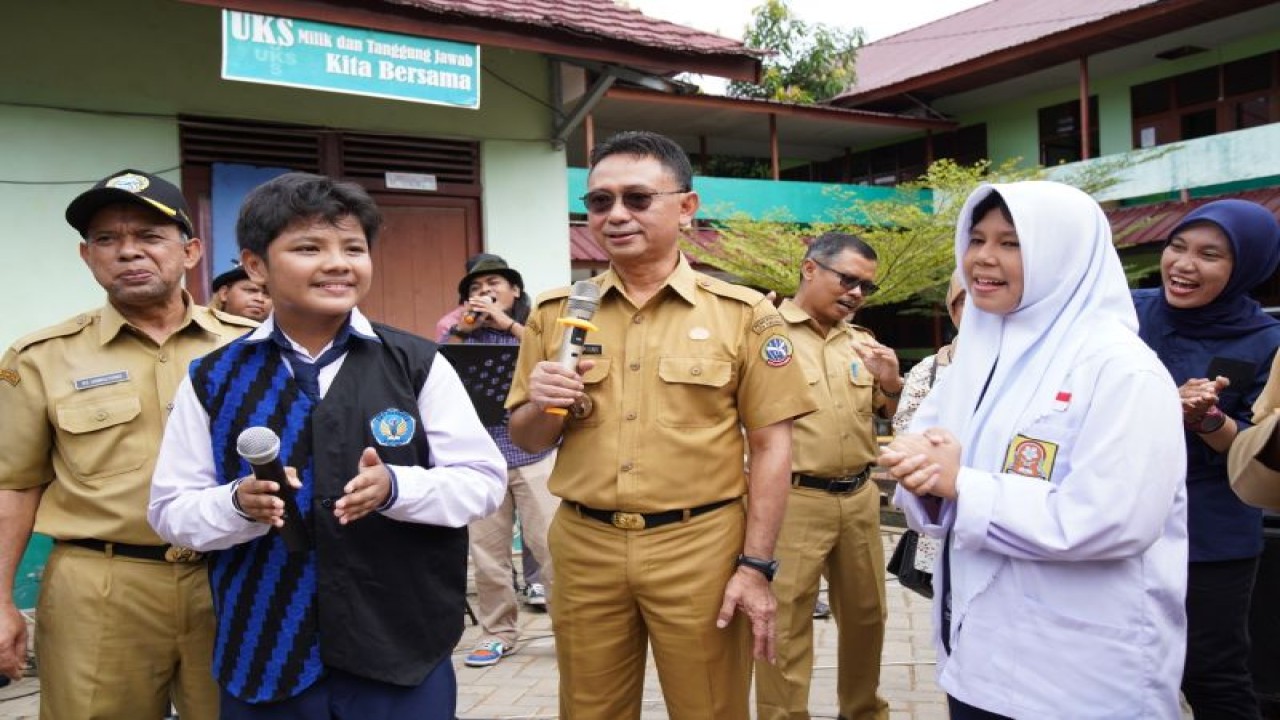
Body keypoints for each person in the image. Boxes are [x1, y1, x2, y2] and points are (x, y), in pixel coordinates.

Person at [147, 172, 506, 718]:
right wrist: (236, 504)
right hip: (266, 653)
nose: (338, 263)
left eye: (353, 248)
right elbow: (171, 510)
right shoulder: (213, 377)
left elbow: (482, 482)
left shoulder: (417, 364)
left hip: (398, 649)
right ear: (256, 265)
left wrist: (396, 487)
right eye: (309, 247)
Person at [506, 130, 816, 719]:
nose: (615, 215)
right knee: (589, 709)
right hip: (585, 542)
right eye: (600, 202)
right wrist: (542, 403)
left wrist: (755, 567)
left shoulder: (743, 316)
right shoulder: (556, 314)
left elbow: (774, 447)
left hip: (700, 546)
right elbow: (526, 439)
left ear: (686, 206)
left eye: (637, 198)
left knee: (710, 708)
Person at [881, 181, 1188, 719]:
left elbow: (1117, 518)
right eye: (976, 239)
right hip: (976, 656)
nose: (983, 259)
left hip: (1075, 675)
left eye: (1011, 243)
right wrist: (922, 476)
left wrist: (961, 484)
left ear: (1062, 254)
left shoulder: (1122, 369)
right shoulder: (976, 356)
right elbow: (933, 471)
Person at [0, 168, 255, 718]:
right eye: (107, 240)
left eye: (149, 237)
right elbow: (13, 487)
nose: (127, 252)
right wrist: (0, 603)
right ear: (86, 257)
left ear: (190, 251)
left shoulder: (249, 349)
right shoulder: (41, 358)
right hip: (101, 587)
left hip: (233, 578)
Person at [1133, 198, 1280, 719]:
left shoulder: (1267, 341)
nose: (1184, 264)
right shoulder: (1128, 311)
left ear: (1247, 266)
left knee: (1211, 673)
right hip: (1122, 515)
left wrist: (1208, 419)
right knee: (1123, 664)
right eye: (1178, 246)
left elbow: (1259, 450)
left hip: (1211, 531)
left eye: (1210, 254)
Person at [755, 232, 897, 720]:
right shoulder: (764, 332)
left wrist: (892, 384)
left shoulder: (863, 343)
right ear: (810, 269)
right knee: (785, 622)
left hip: (859, 496)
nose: (857, 293)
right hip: (792, 500)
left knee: (867, 616)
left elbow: (892, 416)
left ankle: (863, 711)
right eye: (849, 280)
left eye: (866, 287)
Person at [440, 255, 559, 667]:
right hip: (481, 459)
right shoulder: (453, 328)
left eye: (493, 284)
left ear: (515, 292)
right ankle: (497, 632)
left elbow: (554, 354)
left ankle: (571, 630)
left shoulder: (533, 326)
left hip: (534, 454)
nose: (483, 293)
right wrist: (464, 328)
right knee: (488, 555)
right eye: (474, 289)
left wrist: (504, 324)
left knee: (551, 546)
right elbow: (437, 365)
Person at [892, 271, 965, 436]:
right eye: (964, 301)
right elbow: (906, 437)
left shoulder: (1031, 366)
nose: (974, 311)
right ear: (952, 308)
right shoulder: (927, 370)